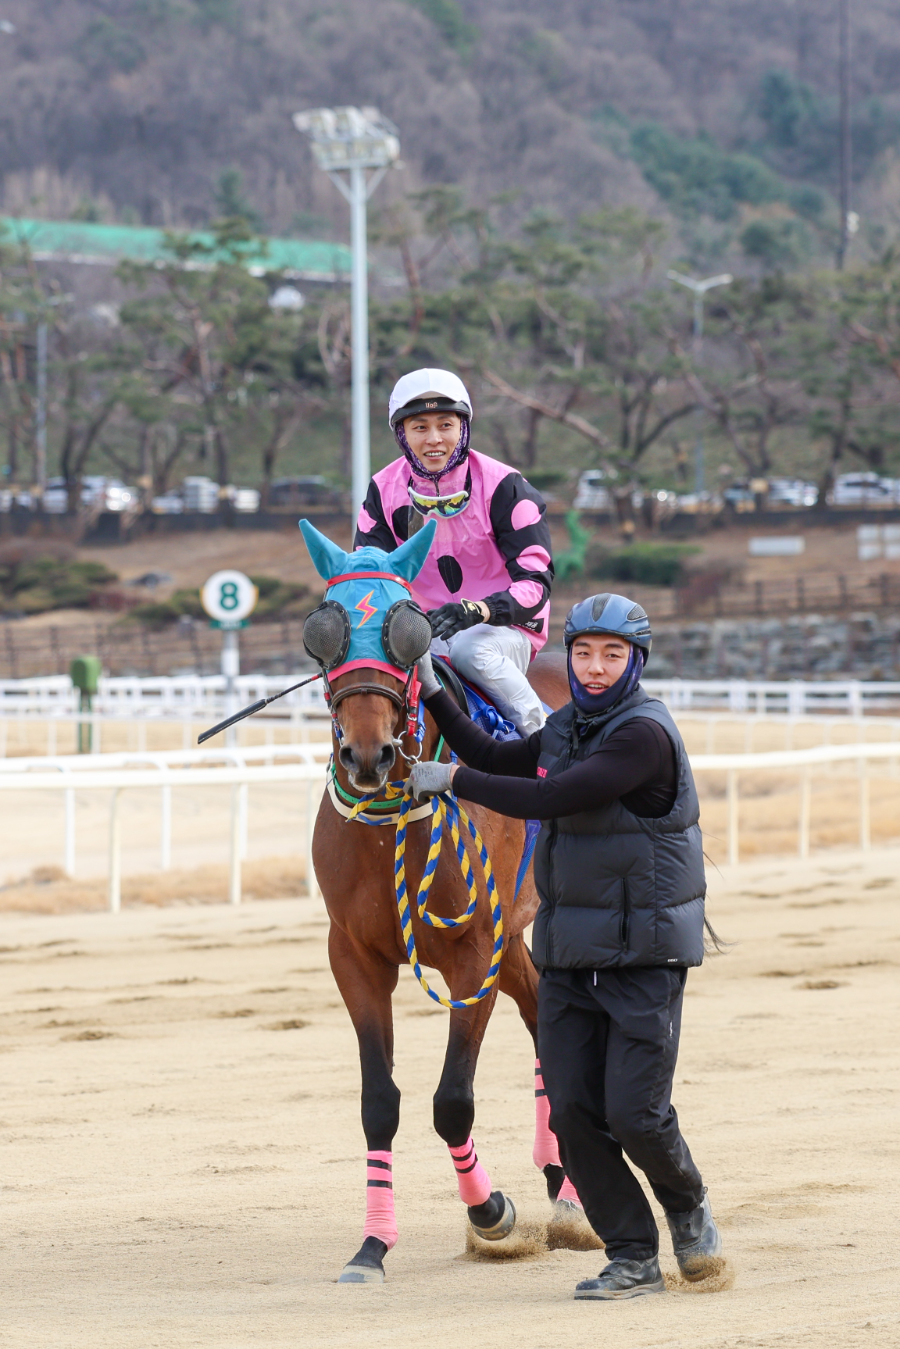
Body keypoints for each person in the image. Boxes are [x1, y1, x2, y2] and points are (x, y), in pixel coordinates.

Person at [406, 592, 723, 1301]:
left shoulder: (642, 735)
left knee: (635, 1113)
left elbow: (556, 797)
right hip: (570, 950)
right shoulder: (564, 726)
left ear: (635, 661)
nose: (597, 666)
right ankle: (633, 1255)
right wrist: (432, 691)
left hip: (643, 953)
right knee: (576, 1112)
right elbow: (494, 752)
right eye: (584, 652)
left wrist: (451, 779)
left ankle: (689, 1206)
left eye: (613, 654)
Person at [354, 368, 553, 736]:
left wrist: (478, 610)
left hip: (505, 627)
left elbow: (536, 584)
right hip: (423, 628)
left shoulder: (506, 486)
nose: (434, 439)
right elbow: (369, 577)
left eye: (446, 425)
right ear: (402, 434)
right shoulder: (382, 489)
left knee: (470, 651)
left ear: (463, 427)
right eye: (419, 427)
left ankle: (545, 745)